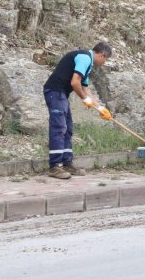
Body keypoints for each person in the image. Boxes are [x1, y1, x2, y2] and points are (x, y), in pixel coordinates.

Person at [42, 41, 113, 179]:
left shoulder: (88, 64)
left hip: (62, 94)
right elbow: (75, 83)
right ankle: (55, 166)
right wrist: (84, 99)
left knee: (68, 128)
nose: (104, 63)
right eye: (105, 60)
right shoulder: (84, 58)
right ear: (102, 55)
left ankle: (67, 163)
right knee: (59, 127)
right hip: (55, 91)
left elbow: (85, 88)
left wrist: (100, 108)